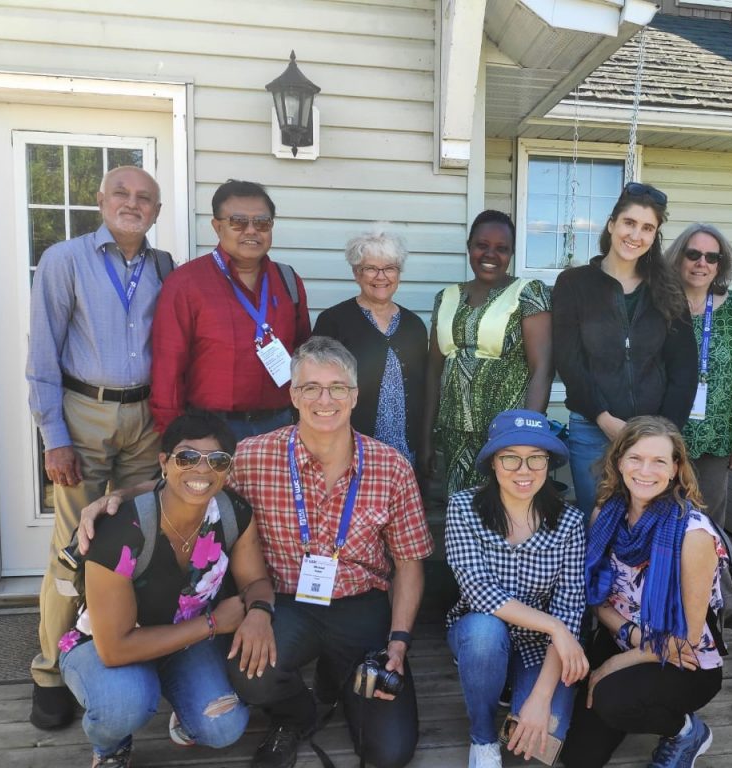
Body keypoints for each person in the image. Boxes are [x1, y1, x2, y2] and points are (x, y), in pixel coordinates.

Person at [80, 336, 433, 768]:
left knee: (389, 753)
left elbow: (409, 563)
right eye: (311, 388)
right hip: (285, 602)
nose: (325, 399)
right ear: (293, 395)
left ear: (355, 395)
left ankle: (335, 675)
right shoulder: (252, 456)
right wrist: (115, 497)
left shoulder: (391, 466)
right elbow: (189, 481)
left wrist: (398, 644)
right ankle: (293, 715)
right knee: (251, 673)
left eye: (337, 388)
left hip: (362, 604)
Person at [26, 165, 172, 730]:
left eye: (144, 198)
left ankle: (117, 647)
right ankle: (49, 669)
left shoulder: (164, 267)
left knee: (132, 538)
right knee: (72, 545)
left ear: (157, 211)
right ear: (100, 200)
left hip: (146, 416)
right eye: (121, 193)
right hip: (83, 411)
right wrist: (54, 438)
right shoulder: (66, 259)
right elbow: (41, 359)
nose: (132, 204)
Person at [59, 411, 273, 768]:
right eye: (187, 457)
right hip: (106, 645)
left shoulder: (232, 513)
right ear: (165, 462)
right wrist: (212, 625)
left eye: (216, 460)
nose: (201, 471)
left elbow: (256, 582)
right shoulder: (120, 528)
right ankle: (110, 747)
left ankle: (183, 700)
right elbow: (114, 649)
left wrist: (261, 613)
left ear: (228, 469)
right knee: (123, 705)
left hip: (185, 643)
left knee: (223, 726)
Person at [562, 417, 726, 768]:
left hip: (683, 661)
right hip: (623, 635)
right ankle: (625, 696)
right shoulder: (605, 513)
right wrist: (628, 635)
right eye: (635, 458)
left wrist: (613, 663)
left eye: (659, 461)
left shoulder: (692, 534)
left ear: (675, 468)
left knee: (610, 698)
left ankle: (684, 731)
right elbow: (596, 599)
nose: (645, 471)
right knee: (578, 759)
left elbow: (685, 639)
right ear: (619, 461)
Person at [446, 409, 588, 768]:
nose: (524, 470)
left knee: (535, 752)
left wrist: (541, 698)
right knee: (483, 633)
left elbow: (569, 611)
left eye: (535, 458)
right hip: (481, 630)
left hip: (540, 646)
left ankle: (518, 689)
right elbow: (479, 591)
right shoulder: (464, 508)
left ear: (548, 462)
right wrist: (555, 626)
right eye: (510, 457)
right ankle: (482, 737)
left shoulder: (570, 523)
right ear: (493, 462)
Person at [552, 183, 698, 518]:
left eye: (648, 228)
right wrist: (604, 419)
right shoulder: (574, 284)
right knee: (599, 521)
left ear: (655, 235)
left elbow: (683, 369)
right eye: (629, 223)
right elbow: (570, 362)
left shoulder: (668, 288)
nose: (636, 235)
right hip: (593, 430)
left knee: (648, 524)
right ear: (611, 224)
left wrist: (663, 434)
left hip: (656, 434)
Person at [150, 179, 311, 441]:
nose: (251, 231)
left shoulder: (288, 280)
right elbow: (168, 365)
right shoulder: (186, 283)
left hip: (280, 425)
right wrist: (173, 432)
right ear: (217, 226)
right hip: (210, 429)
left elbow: (304, 351)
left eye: (262, 223)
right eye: (238, 222)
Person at [422, 210, 553, 496]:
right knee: (461, 515)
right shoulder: (446, 298)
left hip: (506, 434)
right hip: (454, 435)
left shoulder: (528, 293)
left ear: (512, 253)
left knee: (504, 512)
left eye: (501, 248)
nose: (490, 254)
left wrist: (526, 438)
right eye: (482, 245)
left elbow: (542, 368)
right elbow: (433, 371)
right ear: (469, 247)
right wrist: (427, 437)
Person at [666, 223, 732, 527]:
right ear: (679, 257)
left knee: (707, 523)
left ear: (721, 264)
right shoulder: (659, 305)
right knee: (661, 519)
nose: (701, 263)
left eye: (711, 257)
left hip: (717, 437)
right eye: (693, 254)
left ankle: (709, 576)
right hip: (664, 435)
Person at [313, 225, 427, 466]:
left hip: (405, 453)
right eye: (371, 269)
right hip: (349, 449)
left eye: (389, 268)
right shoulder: (333, 321)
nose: (381, 276)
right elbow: (314, 386)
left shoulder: (414, 325)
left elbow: (422, 389)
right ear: (357, 273)